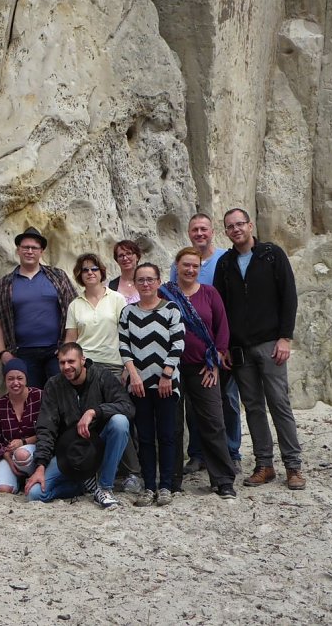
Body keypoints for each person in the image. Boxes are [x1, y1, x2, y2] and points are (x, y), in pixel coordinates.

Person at [213, 208, 305, 490]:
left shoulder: (271, 254)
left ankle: (293, 466)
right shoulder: (226, 263)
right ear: (226, 231)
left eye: (240, 224)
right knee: (252, 407)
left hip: (269, 344)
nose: (236, 229)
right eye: (230, 226)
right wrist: (224, 346)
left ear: (250, 225)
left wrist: (285, 338)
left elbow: (288, 296)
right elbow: (221, 309)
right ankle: (265, 464)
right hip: (240, 349)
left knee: (279, 403)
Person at [170, 214, 243, 476]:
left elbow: (223, 315)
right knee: (194, 409)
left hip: (214, 352)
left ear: (212, 231)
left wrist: (221, 352)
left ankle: (232, 453)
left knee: (226, 403)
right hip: (183, 359)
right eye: (194, 230)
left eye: (204, 228)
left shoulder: (225, 259)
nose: (199, 233)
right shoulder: (174, 275)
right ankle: (198, 455)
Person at [161, 248, 237, 499]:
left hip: (203, 367)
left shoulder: (209, 293)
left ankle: (223, 479)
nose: (190, 270)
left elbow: (222, 328)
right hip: (171, 368)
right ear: (177, 265)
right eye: (186, 265)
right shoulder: (165, 295)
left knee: (213, 422)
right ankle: (171, 480)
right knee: (172, 423)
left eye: (195, 266)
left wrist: (215, 361)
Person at [64, 252, 141, 492]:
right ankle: (94, 469)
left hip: (114, 366)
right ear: (79, 275)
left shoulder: (117, 299)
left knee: (121, 417)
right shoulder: (75, 304)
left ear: (102, 272)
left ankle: (131, 472)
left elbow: (127, 335)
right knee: (92, 418)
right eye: (85, 270)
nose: (90, 273)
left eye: (94, 269)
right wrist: (68, 366)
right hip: (86, 368)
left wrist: (129, 367)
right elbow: (71, 340)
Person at [25, 343, 134, 509]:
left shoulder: (102, 376)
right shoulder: (54, 385)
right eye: (62, 362)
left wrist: (94, 411)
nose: (66, 367)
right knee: (35, 494)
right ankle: (82, 485)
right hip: (70, 453)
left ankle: (104, 487)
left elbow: (127, 407)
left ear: (82, 360)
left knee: (120, 422)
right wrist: (40, 466)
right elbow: (46, 428)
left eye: (71, 361)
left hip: (99, 446)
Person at [119, 263, 185, 507]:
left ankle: (166, 485)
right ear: (135, 283)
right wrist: (133, 375)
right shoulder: (128, 313)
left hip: (166, 383)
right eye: (141, 280)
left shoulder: (171, 309)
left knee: (167, 435)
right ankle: (149, 487)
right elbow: (124, 345)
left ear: (158, 282)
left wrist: (167, 374)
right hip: (139, 385)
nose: (145, 284)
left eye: (150, 279)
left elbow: (178, 343)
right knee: (145, 436)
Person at [0, 227, 77, 389]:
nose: (29, 251)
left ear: (41, 251)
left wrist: (67, 346)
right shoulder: (5, 283)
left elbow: (75, 311)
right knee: (30, 401)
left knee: (62, 397)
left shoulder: (58, 277)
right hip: (21, 354)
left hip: (56, 352)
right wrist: (2, 353)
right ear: (18, 250)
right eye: (25, 247)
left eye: (34, 248)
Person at [0, 359, 42, 494]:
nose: (15, 383)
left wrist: (23, 442)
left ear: (26, 378)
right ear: (5, 380)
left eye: (20, 378)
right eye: (10, 379)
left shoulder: (39, 396)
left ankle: (32, 474)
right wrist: (7, 457)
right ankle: (19, 479)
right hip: (10, 455)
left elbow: (50, 431)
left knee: (22, 455)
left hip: (35, 451)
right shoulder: (0, 405)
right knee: (3, 489)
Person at [108, 240, 141, 304]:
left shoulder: (148, 284)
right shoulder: (110, 287)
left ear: (137, 257)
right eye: (121, 256)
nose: (125, 258)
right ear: (117, 260)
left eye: (129, 253)